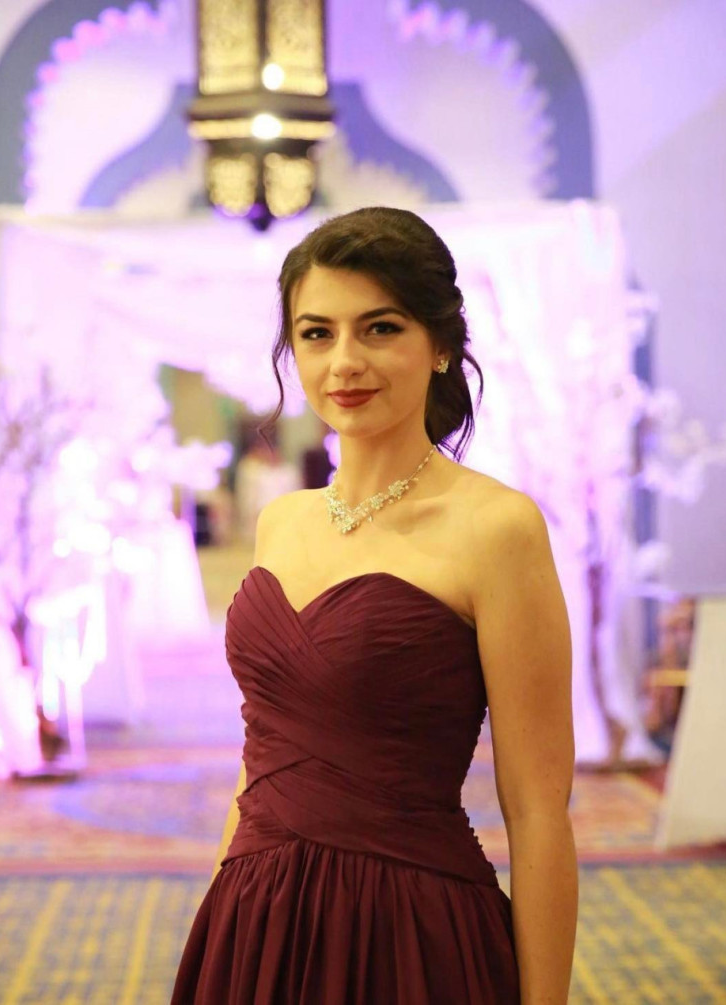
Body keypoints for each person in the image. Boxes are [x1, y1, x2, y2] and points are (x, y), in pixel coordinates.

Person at [172, 207, 578, 1004]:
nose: (344, 362)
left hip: (407, 929)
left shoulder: (497, 527)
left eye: (380, 328)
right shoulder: (280, 521)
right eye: (317, 334)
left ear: (441, 345)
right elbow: (263, 756)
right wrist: (226, 923)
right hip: (256, 917)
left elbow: (538, 811)